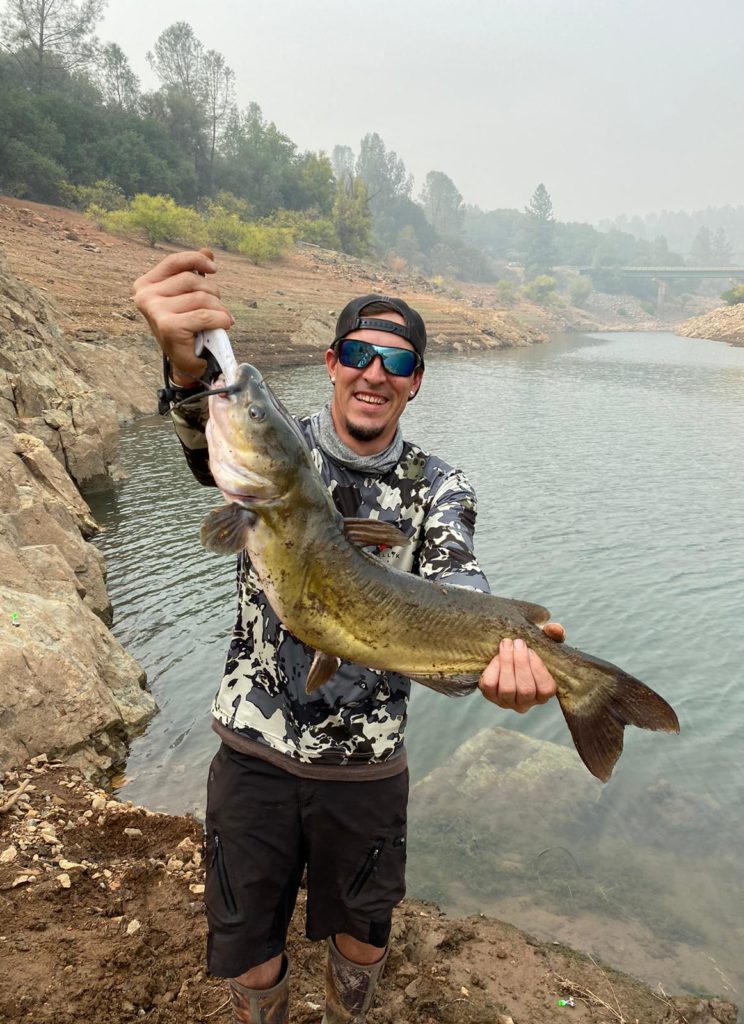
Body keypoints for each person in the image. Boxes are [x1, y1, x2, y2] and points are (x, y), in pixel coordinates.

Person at [133, 249, 564, 1024]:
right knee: (250, 945)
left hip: (366, 769)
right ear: (332, 363)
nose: (375, 372)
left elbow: (458, 578)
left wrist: (501, 656)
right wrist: (187, 370)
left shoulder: (440, 485)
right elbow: (212, 447)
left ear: (416, 379)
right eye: (359, 354)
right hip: (253, 752)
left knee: (361, 942)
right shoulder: (280, 450)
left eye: (396, 360)